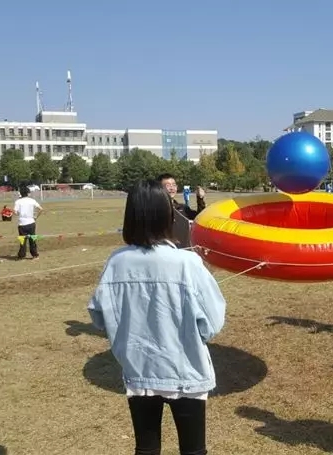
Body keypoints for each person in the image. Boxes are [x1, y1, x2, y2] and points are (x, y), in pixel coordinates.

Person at [88, 179, 227, 455]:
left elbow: (99, 316)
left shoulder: (116, 262)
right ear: (167, 216)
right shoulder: (187, 263)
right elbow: (212, 322)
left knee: (146, 449)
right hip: (185, 371)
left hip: (138, 370)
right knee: (193, 451)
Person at [158, 173, 206, 248]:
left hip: (184, 250)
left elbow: (199, 218)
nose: (172, 188)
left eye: (174, 185)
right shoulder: (155, 210)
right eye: (168, 185)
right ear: (159, 188)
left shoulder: (183, 208)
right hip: (166, 251)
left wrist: (200, 199)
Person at [14, 187, 42, 260]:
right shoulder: (32, 200)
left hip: (22, 224)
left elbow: (15, 212)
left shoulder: (18, 201)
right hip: (31, 223)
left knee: (22, 240)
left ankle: (21, 256)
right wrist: (35, 217)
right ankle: (35, 255)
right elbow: (41, 209)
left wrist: (19, 215)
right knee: (32, 239)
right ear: (28, 193)